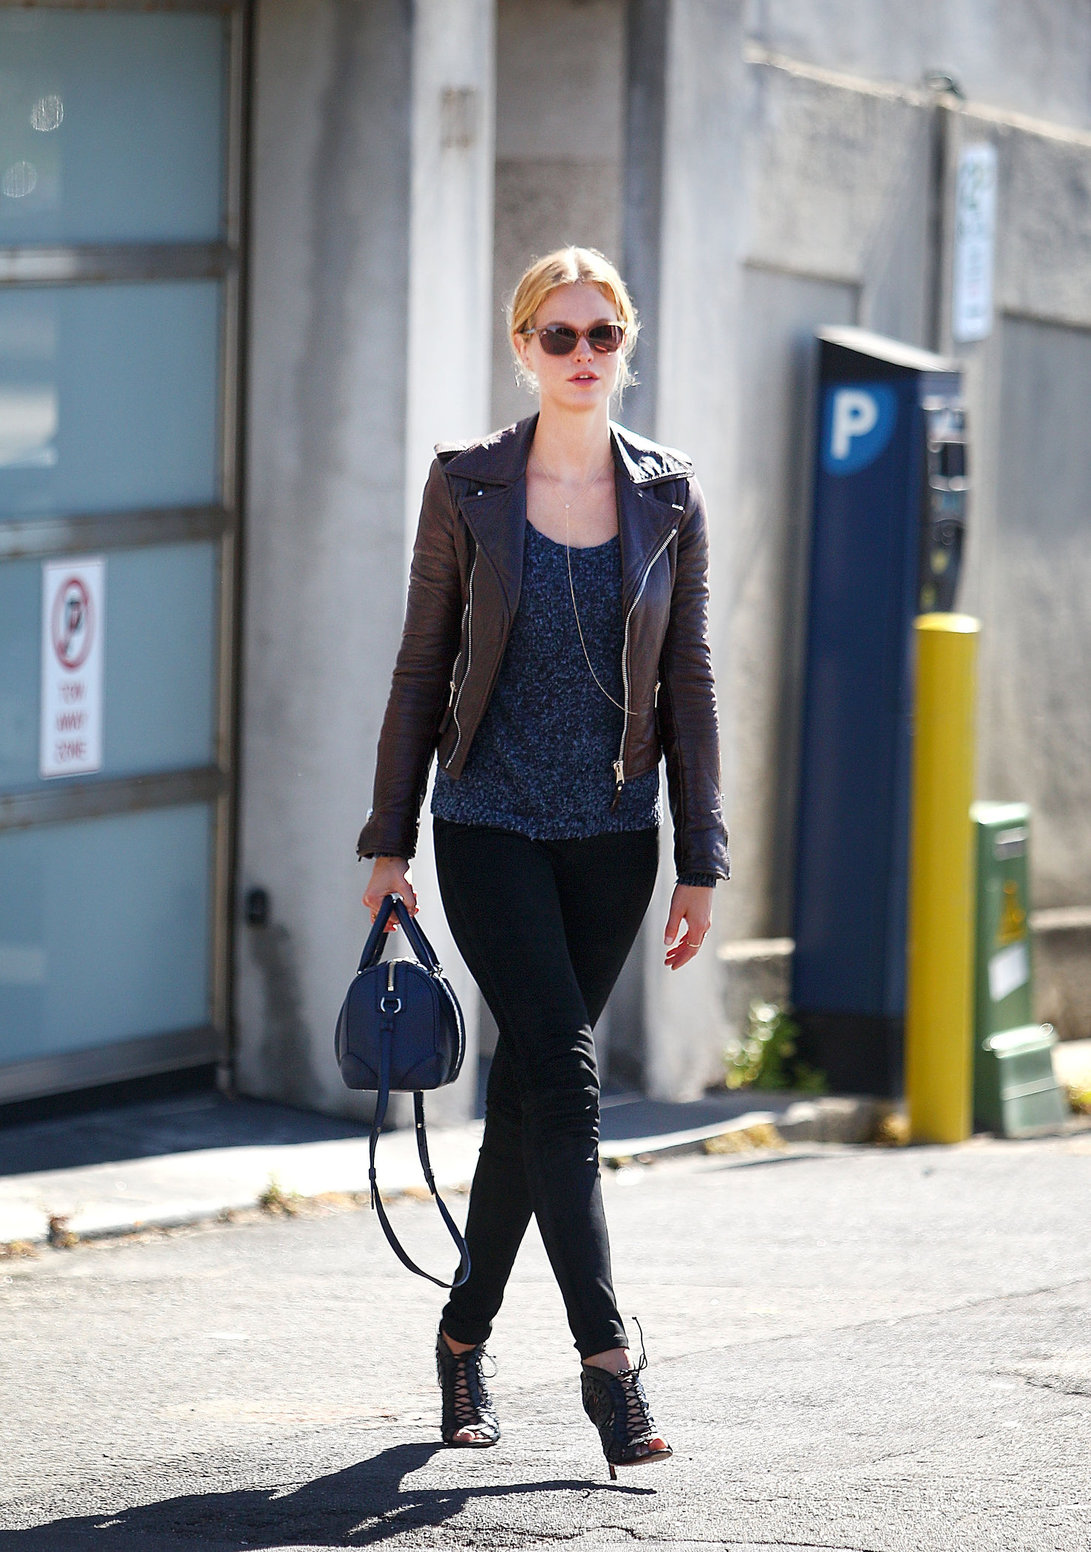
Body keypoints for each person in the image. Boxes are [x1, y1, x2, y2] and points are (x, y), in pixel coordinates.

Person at [358, 246, 729, 1477]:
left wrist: (699, 851)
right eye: (557, 336)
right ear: (521, 347)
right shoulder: (466, 485)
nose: (581, 357)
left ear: (626, 347)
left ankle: (462, 1334)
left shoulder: (669, 493)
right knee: (567, 1079)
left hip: (615, 836)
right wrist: (388, 837)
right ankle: (609, 1365)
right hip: (489, 821)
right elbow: (421, 665)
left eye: (600, 335)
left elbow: (688, 680)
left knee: (527, 1097)